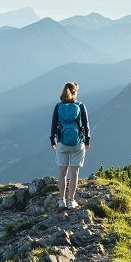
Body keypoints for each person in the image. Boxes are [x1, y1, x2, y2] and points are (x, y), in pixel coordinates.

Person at [50, 82, 90, 210]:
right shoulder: (80, 106)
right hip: (77, 143)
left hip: (62, 143)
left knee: (62, 173)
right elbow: (86, 124)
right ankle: (71, 200)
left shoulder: (58, 106)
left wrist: (53, 140)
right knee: (74, 173)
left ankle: (61, 201)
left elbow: (54, 124)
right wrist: (87, 140)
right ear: (75, 92)